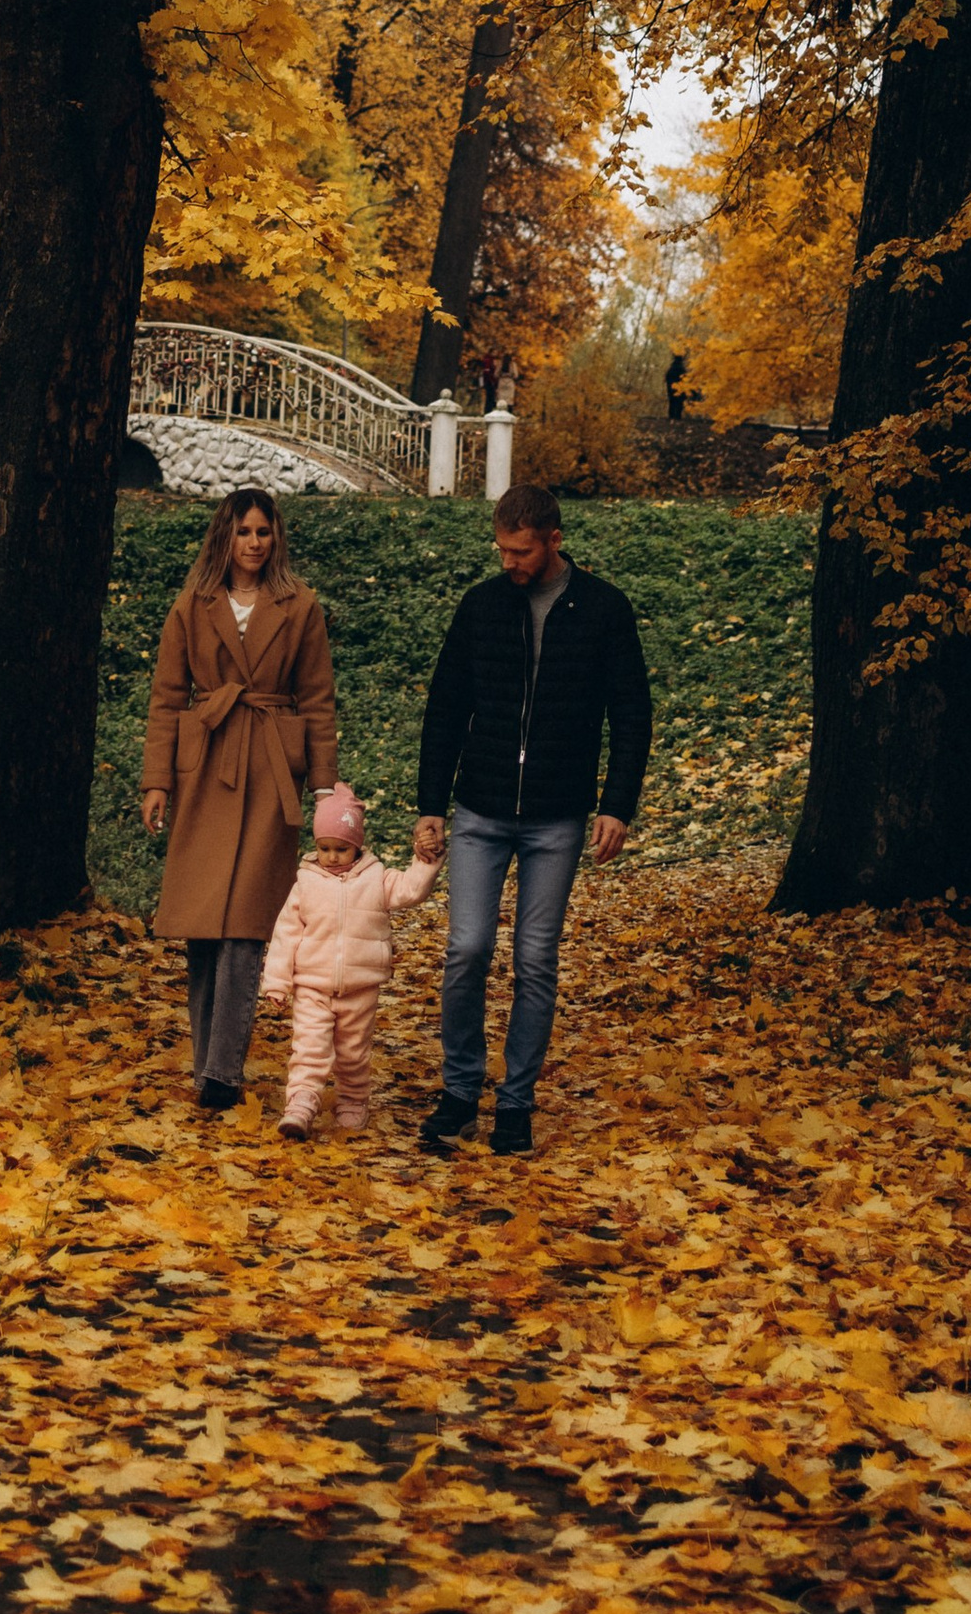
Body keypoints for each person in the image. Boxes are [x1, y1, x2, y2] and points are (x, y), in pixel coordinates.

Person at [412, 482, 652, 1159]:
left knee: (535, 959)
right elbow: (444, 708)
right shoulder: (482, 606)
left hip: (557, 815)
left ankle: (515, 1102)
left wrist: (618, 804)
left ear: (554, 540)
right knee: (466, 951)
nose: (509, 562)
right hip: (480, 808)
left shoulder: (603, 609)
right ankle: (460, 1091)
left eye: (520, 551)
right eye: (501, 549)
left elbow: (630, 713)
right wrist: (431, 804)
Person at [140, 487, 338, 1112]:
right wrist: (157, 781)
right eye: (245, 532)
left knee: (249, 923)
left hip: (272, 766)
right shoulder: (192, 604)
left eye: (265, 532)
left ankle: (224, 1073)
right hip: (207, 763)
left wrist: (325, 786)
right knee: (203, 925)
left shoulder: (299, 604)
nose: (255, 543)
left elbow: (317, 699)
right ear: (224, 536)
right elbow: (168, 698)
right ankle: (206, 1066)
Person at [261, 783, 441, 1142]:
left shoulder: (376, 879)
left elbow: (410, 889)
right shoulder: (306, 883)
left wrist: (425, 863)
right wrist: (278, 982)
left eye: (340, 848)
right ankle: (301, 1102)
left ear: (357, 845)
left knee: (353, 1052)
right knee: (309, 1046)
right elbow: (286, 934)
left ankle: (353, 1100)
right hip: (311, 983)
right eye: (323, 848)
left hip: (361, 985)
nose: (331, 856)